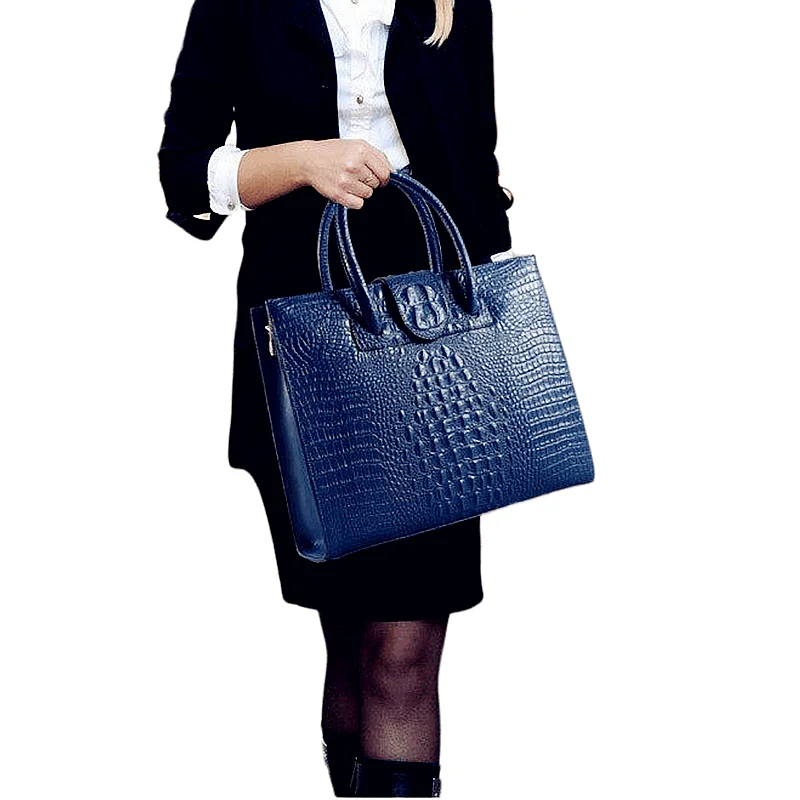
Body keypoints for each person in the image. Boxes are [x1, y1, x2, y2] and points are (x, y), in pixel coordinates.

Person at [158, 0, 514, 795]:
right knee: (352, 639)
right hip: (304, 343)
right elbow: (185, 173)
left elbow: (478, 161)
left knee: (402, 651)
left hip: (434, 354)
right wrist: (304, 161)